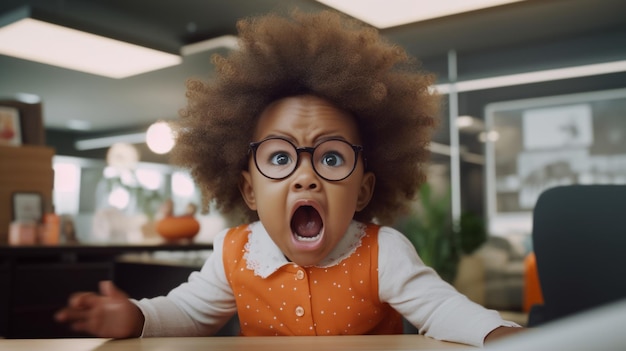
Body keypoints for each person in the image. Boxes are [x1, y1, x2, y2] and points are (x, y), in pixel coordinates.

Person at [55, 10, 523, 346]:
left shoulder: (382, 254)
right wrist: (135, 316)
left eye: (332, 159)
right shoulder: (235, 254)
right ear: (249, 190)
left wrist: (501, 335)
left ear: (363, 189)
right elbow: (188, 314)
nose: (305, 177)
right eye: (280, 159)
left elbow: (442, 310)